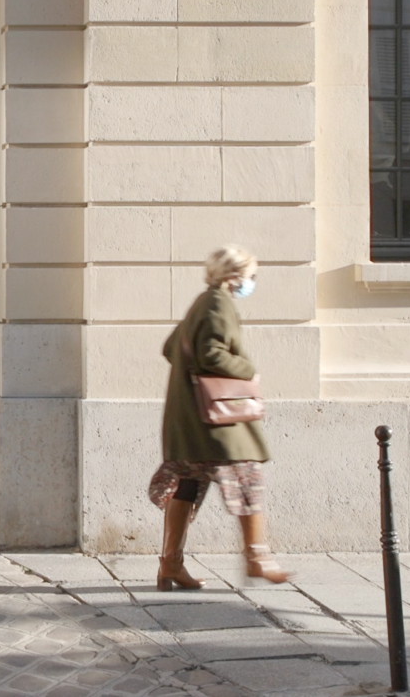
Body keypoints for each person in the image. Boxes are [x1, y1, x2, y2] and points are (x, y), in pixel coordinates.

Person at [149, 244, 291, 590]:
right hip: (216, 424)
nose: (251, 282)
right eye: (250, 276)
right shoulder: (219, 303)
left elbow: (171, 347)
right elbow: (210, 353)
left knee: (187, 483)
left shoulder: (203, 301)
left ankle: (170, 565)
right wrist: (247, 367)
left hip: (189, 423)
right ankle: (257, 557)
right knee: (246, 478)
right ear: (233, 276)